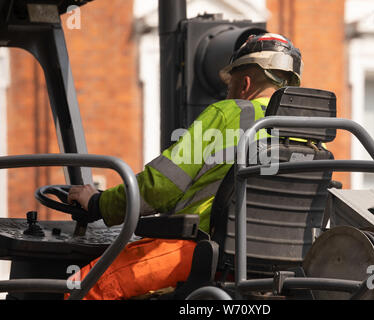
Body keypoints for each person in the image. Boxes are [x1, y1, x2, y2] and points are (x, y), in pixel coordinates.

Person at [66, 33, 303, 300]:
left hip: (200, 253)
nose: (229, 91)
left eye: (231, 84)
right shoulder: (306, 133)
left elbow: (161, 186)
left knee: (82, 289)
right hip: (274, 269)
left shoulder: (228, 113)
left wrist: (99, 203)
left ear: (245, 83)